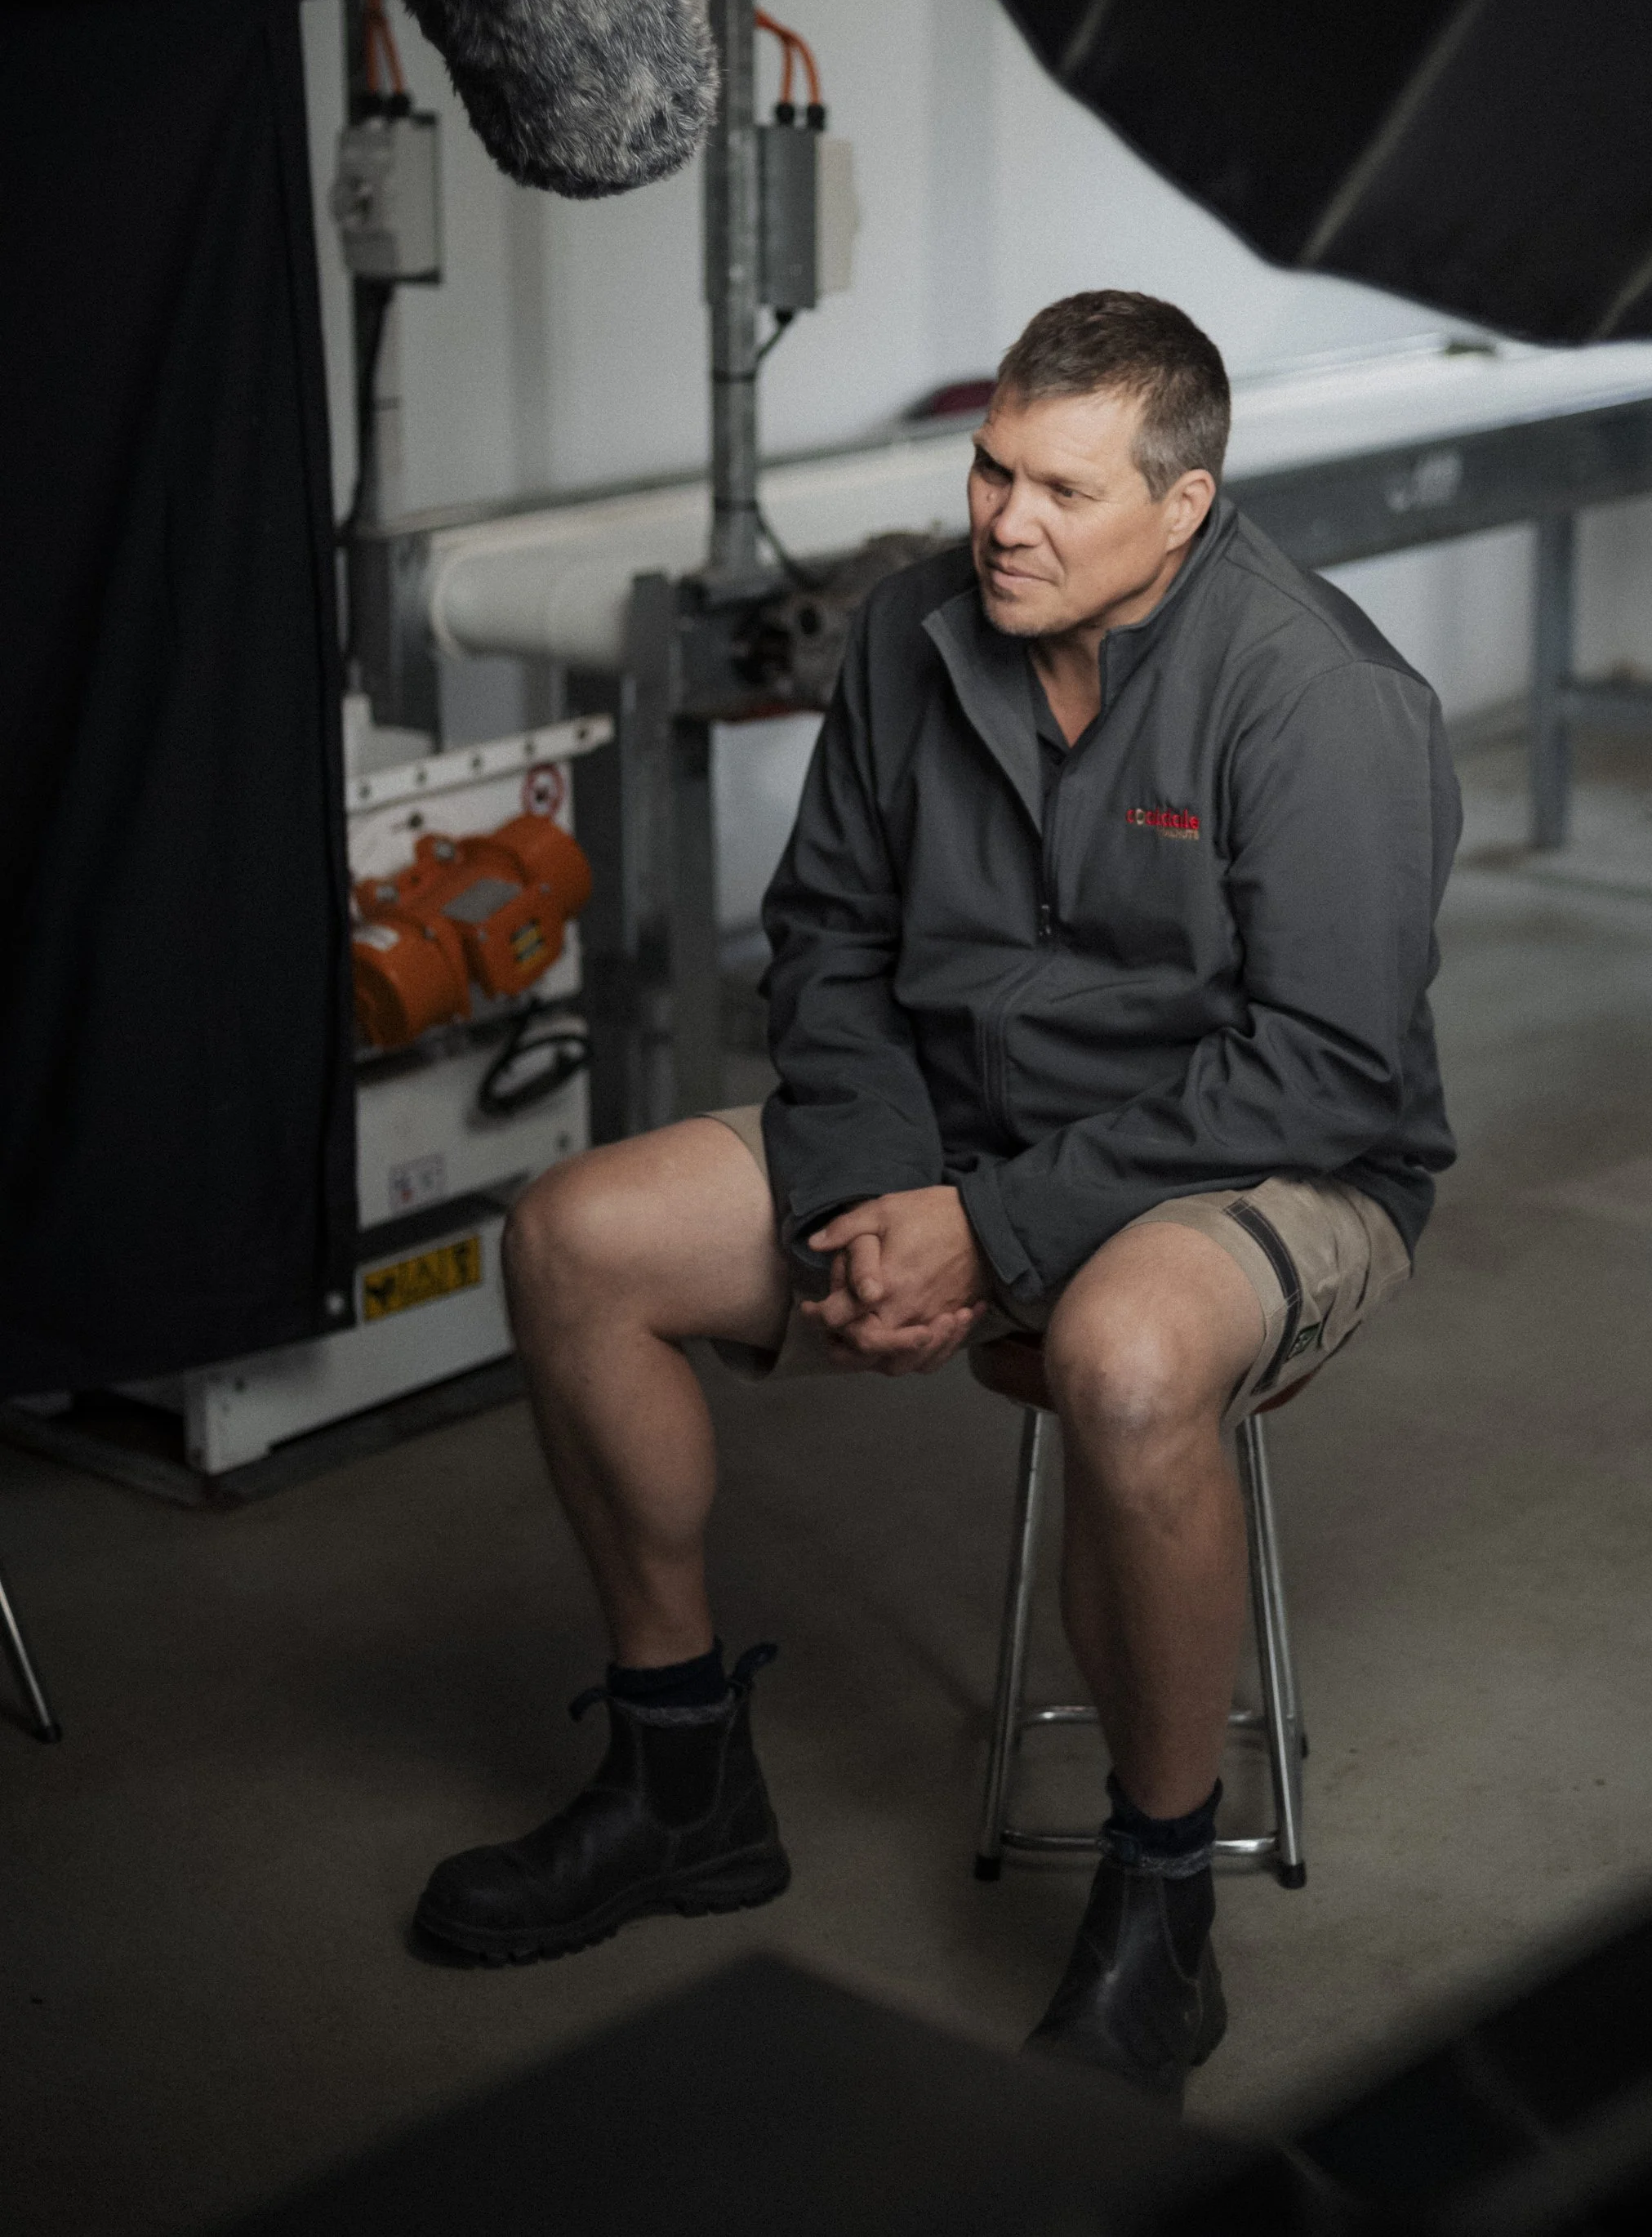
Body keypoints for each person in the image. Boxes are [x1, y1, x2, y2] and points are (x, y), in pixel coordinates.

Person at [413, 291, 1460, 2099]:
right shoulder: (913, 633)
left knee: (1124, 1355)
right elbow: (828, 939)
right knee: (571, 1237)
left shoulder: (1319, 696)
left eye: (1060, 488)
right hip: (955, 1131)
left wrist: (996, 1235)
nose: (1003, 521)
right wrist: (881, 1191)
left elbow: (1328, 1067)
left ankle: (1156, 1909)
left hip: (1261, 1162)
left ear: (1184, 506)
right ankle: (679, 1782)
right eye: (990, 469)